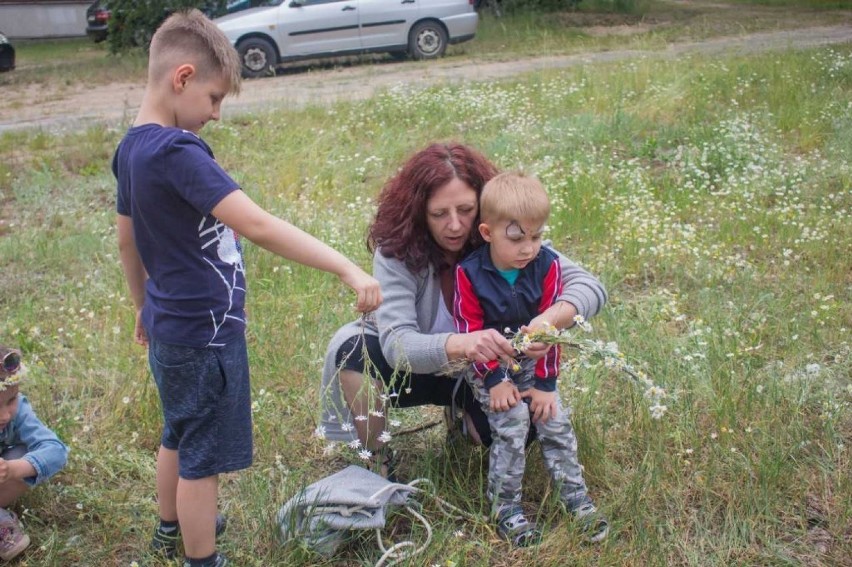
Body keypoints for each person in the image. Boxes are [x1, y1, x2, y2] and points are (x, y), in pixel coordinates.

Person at [113, 10, 381, 567]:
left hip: (170, 327)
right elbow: (256, 225)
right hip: (205, 336)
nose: (214, 113)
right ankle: (202, 557)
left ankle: (170, 530)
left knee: (178, 430)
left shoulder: (131, 149)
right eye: (214, 98)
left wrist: (143, 307)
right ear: (181, 77)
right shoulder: (177, 152)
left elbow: (127, 242)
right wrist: (346, 268)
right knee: (201, 458)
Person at [318, 143, 607, 479]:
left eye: (466, 210)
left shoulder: (506, 239)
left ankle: (463, 423)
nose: (455, 226)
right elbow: (397, 345)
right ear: (418, 212)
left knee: (523, 426)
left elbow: (590, 287)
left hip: (485, 373)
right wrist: (464, 343)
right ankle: (377, 462)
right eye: (439, 214)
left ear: (485, 209)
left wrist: (550, 320)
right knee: (351, 350)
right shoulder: (397, 251)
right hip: (415, 366)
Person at [453, 172, 608, 546]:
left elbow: (550, 334)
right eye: (517, 237)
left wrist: (545, 385)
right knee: (511, 423)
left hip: (535, 364)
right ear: (488, 233)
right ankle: (506, 507)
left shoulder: (548, 266)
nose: (529, 248)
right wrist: (494, 380)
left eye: (537, 237)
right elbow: (468, 333)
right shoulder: (469, 273)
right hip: (488, 363)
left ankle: (575, 498)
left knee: (554, 420)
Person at [0, 345, 69, 561]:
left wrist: (12, 469)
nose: (4, 415)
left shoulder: (20, 410)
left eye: (10, 400)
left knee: (30, 454)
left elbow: (56, 451)